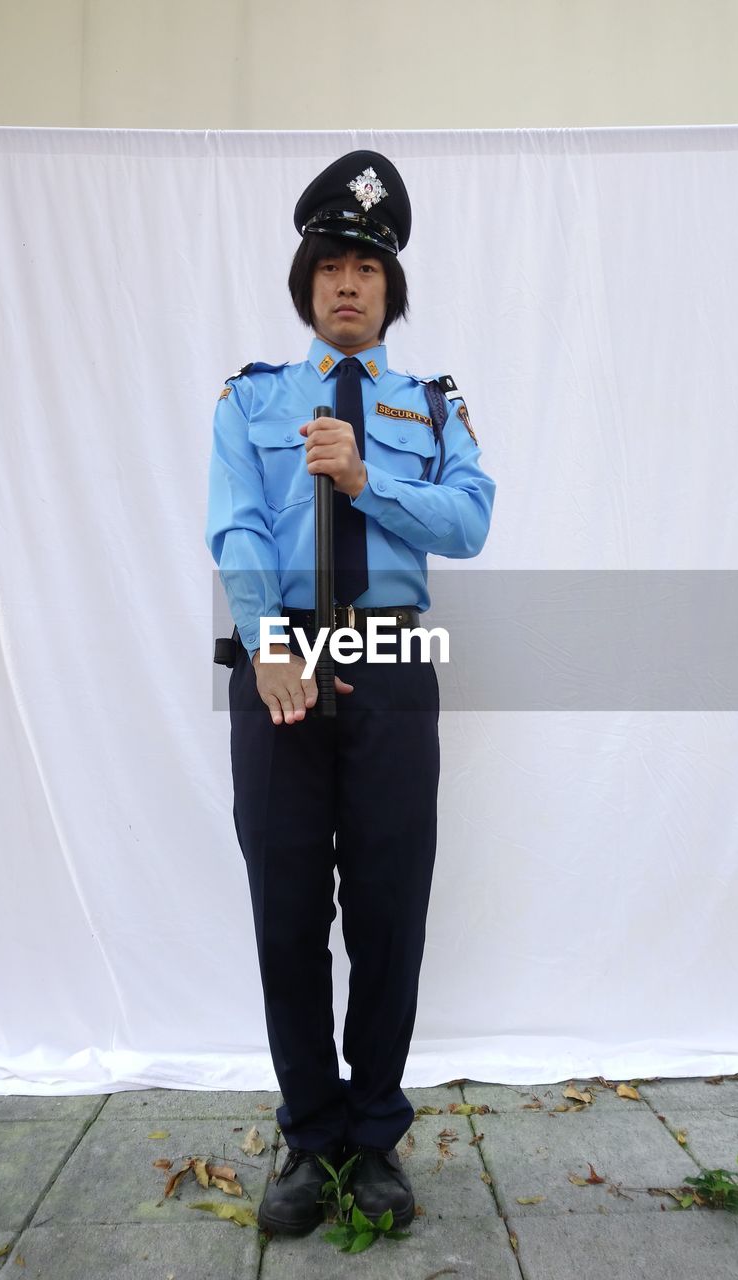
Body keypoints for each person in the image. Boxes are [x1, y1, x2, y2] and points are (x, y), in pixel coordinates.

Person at [205, 150, 495, 1235]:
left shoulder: (431, 405)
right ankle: (308, 1128)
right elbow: (235, 523)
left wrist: (369, 480)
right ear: (305, 282)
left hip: (390, 666)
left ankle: (373, 1133)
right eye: (329, 263)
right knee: (286, 913)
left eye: (365, 268)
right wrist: (265, 635)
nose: (346, 283)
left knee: (386, 906)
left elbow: (469, 520)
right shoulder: (252, 398)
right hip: (278, 665)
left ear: (389, 291)